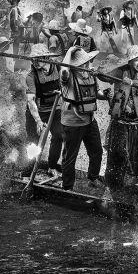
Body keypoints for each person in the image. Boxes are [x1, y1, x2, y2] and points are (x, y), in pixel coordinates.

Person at [59, 46, 111, 191]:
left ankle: (93, 178)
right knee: (70, 156)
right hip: (73, 122)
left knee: (97, 151)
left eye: (87, 62)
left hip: (89, 120)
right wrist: (69, 51)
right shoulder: (67, 77)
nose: (86, 66)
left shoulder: (90, 75)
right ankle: (67, 186)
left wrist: (106, 95)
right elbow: (64, 70)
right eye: (83, 63)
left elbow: (97, 93)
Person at [105, 45, 138, 197]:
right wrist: (98, 72)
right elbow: (105, 77)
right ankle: (112, 188)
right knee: (117, 154)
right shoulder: (120, 71)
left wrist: (131, 82)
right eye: (137, 59)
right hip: (120, 123)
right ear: (130, 61)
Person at [25, 44, 64, 175]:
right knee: (34, 140)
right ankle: (30, 169)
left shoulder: (58, 67)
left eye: (38, 59)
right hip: (37, 111)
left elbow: (68, 81)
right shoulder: (31, 76)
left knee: (59, 135)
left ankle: (52, 166)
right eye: (33, 59)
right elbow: (31, 100)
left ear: (47, 57)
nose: (35, 62)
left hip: (55, 108)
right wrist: (38, 121)